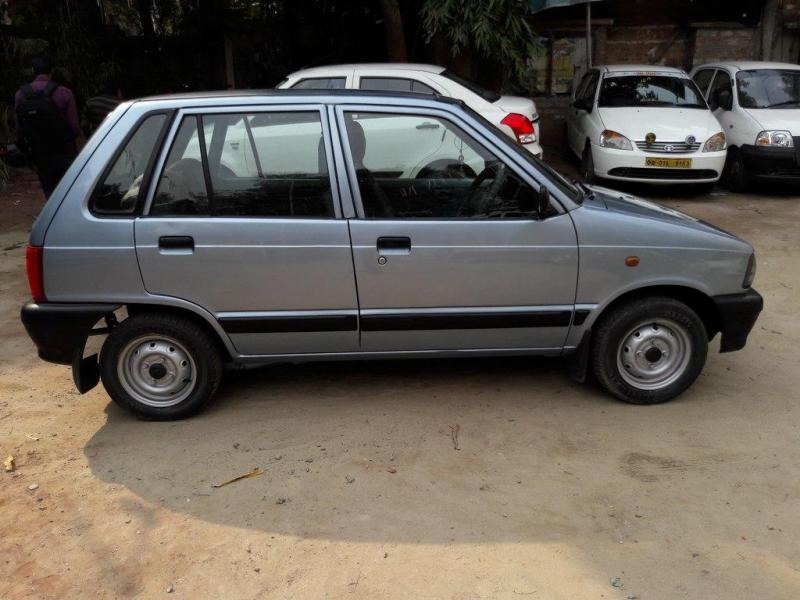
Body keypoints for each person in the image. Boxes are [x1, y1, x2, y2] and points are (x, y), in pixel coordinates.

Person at [14, 55, 81, 198]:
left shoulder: (20, 95)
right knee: (68, 192)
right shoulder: (64, 93)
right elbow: (75, 129)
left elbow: (20, 130)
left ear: (33, 71)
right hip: (64, 152)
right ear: (52, 71)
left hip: (40, 154)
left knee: (50, 193)